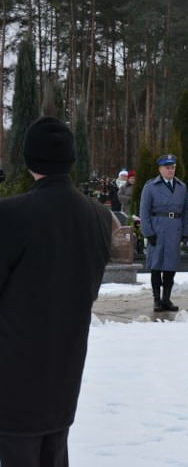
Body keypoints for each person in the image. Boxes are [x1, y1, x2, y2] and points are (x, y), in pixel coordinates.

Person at [0, 117, 113, 467]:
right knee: (54, 451)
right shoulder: (98, 216)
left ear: (29, 159)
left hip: (13, 372)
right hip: (66, 365)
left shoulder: (11, 214)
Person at [140, 154, 188, 312]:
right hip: (158, 228)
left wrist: (185, 231)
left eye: (173, 167)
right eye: (167, 167)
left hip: (174, 229)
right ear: (160, 169)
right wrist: (148, 232)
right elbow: (144, 211)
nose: (170, 170)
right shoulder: (150, 187)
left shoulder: (181, 187)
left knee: (170, 266)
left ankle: (166, 299)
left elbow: (186, 212)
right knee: (156, 266)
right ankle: (156, 300)